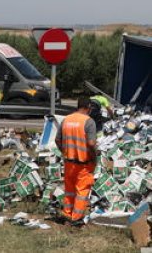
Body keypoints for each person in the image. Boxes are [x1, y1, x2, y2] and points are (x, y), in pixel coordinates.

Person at [56, 96, 98, 225]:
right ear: (88, 107)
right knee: (82, 191)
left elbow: (58, 140)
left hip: (69, 162)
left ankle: (67, 214)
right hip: (84, 163)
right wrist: (94, 157)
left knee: (69, 190)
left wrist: (65, 152)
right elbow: (91, 144)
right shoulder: (89, 121)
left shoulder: (66, 120)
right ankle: (76, 218)